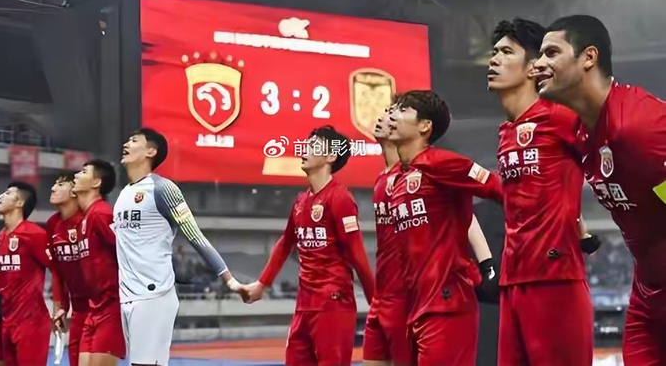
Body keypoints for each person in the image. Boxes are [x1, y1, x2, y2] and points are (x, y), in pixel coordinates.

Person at [533, 14, 666, 365]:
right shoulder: (580, 133)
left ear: (588, 57)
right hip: (647, 293)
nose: (538, 63)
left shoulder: (640, 128)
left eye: (550, 53)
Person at [488, 18, 595, 365]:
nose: (494, 59)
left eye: (507, 52)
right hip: (512, 281)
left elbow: (621, 155)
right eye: (494, 52)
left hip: (555, 279)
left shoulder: (561, 117)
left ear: (534, 67)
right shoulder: (506, 131)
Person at [362, 106, 499, 366]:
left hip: (418, 297)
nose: (383, 119)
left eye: (393, 113)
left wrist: (486, 263)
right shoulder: (387, 179)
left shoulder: (431, 167)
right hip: (391, 296)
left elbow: (466, 214)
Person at [115, 127, 247, 366]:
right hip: (126, 295)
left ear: (151, 151)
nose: (126, 144)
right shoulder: (124, 194)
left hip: (153, 295)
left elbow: (195, 236)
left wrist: (229, 280)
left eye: (134, 140)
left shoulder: (163, 189)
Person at [245, 125, 375, 366]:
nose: (304, 149)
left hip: (333, 306)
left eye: (314, 145)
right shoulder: (301, 201)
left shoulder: (341, 198)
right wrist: (262, 284)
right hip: (303, 306)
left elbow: (356, 253)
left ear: (331, 155)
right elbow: (285, 243)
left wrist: (375, 302)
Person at [0, 182, 53, 366]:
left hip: (30, 322)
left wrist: (61, 304)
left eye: (8, 193)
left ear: (19, 203)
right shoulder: (2, 235)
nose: (1, 195)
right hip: (7, 320)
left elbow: (57, 268)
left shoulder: (35, 234)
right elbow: (0, 274)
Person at [73, 160, 126, 366]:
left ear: (96, 182)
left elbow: (126, 250)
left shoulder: (102, 213)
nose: (76, 175)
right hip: (93, 309)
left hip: (111, 309)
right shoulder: (84, 219)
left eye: (83, 172)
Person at [47, 171, 88, 366]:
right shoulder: (53, 224)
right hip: (78, 310)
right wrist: (60, 307)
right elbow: (57, 270)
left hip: (100, 308)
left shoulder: (88, 218)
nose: (53, 188)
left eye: (60, 184)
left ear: (74, 191)